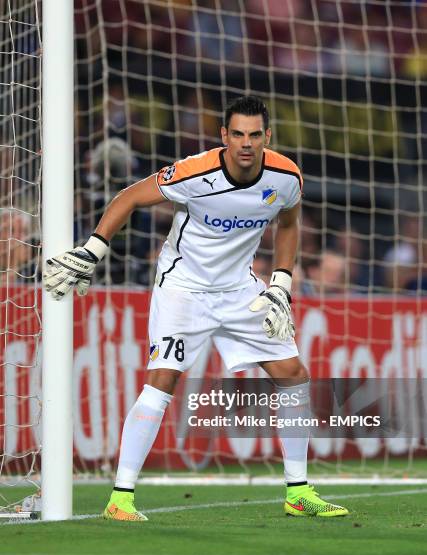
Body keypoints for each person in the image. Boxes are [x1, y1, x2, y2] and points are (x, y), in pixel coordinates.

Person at [43, 96, 348, 520]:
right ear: (224, 135)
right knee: (163, 380)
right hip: (183, 288)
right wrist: (93, 249)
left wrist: (280, 282)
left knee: (293, 375)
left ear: (267, 137)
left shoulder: (285, 176)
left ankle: (298, 492)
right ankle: (120, 498)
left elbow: (289, 223)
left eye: (254, 135)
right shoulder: (195, 173)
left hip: (240, 289)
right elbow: (130, 196)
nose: (246, 143)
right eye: (237, 134)